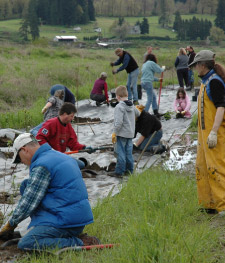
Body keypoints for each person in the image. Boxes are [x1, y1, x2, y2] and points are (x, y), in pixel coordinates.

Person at [0, 133, 100, 250]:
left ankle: (79, 242)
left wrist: (11, 224)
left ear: (24, 150)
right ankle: (46, 228)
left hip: (67, 221)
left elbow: (28, 202)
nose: (22, 162)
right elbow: (80, 164)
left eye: (19, 158)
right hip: (77, 217)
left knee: (27, 243)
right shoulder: (56, 154)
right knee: (26, 185)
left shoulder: (41, 166)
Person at [189, 50, 225, 215]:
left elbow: (221, 107)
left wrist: (214, 132)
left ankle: (223, 205)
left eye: (196, 65)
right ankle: (209, 203)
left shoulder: (214, 82)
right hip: (204, 135)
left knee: (216, 167)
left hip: (215, 134)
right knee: (202, 167)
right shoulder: (205, 81)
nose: (195, 68)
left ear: (202, 65)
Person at [36, 102, 95, 169]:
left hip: (61, 157)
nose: (72, 119)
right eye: (71, 116)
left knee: (82, 165)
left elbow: (73, 144)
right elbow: (39, 138)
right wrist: (50, 150)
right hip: (49, 157)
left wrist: (85, 148)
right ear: (65, 114)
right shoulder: (51, 123)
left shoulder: (69, 127)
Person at [110, 85, 140, 177]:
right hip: (130, 134)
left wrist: (114, 132)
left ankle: (119, 171)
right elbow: (138, 113)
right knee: (128, 153)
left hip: (121, 134)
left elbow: (118, 123)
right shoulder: (131, 104)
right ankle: (129, 170)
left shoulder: (119, 107)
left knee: (121, 153)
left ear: (118, 97)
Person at [141, 53, 165, 118]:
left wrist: (158, 79)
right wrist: (163, 68)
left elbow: (149, 76)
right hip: (148, 83)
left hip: (143, 82)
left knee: (153, 97)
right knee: (150, 98)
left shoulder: (144, 64)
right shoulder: (151, 63)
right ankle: (144, 113)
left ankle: (155, 112)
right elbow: (159, 71)